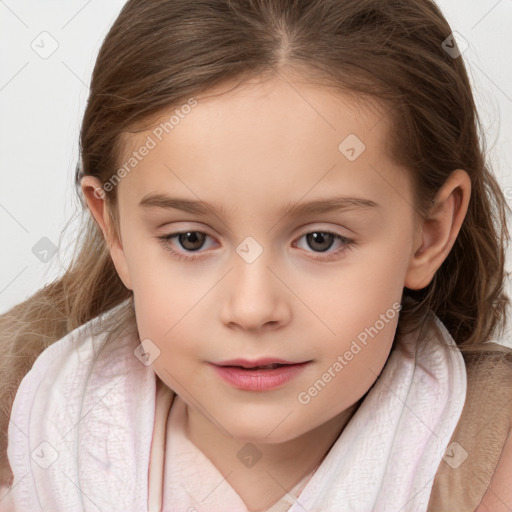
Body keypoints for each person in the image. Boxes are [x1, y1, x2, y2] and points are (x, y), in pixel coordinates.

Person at [1, 0, 511, 511]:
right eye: (191, 240)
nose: (251, 308)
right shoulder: (27, 441)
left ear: (429, 233)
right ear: (113, 229)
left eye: (320, 240)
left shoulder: (490, 473)